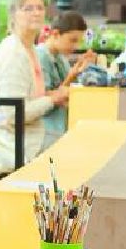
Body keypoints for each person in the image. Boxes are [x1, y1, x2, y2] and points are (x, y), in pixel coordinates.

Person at [0, 0, 67, 179]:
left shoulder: (28, 48)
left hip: (28, 133)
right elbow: (12, 114)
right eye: (28, 8)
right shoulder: (14, 54)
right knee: (70, 153)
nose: (36, 12)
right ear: (13, 15)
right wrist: (52, 100)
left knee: (73, 142)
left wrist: (52, 96)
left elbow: (27, 99)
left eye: (40, 8)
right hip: (8, 140)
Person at [35, 10, 98, 151]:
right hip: (46, 129)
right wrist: (72, 76)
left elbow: (63, 89)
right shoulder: (40, 57)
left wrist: (76, 72)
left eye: (78, 41)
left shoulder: (60, 57)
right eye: (72, 40)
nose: (75, 47)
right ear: (56, 34)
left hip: (59, 125)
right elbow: (44, 98)